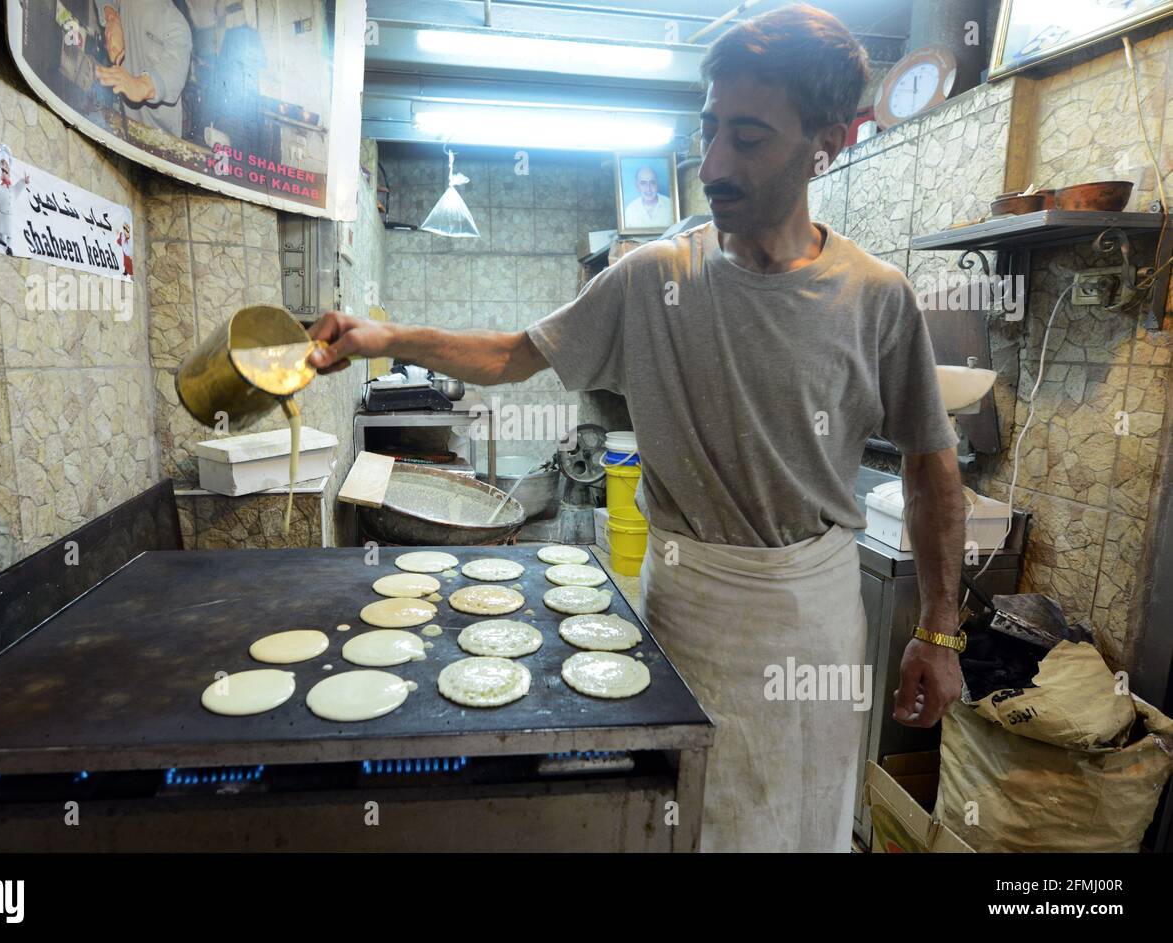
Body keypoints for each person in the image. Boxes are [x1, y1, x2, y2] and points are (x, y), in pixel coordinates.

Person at [306, 4, 966, 852]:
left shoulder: (876, 298)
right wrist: (388, 337)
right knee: (691, 820)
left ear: (825, 144)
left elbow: (930, 463)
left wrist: (939, 627)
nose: (716, 162)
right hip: (690, 607)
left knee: (804, 819)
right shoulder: (654, 278)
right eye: (709, 129)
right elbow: (515, 354)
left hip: (814, 618)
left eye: (750, 137)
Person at [94, 0, 193, 138]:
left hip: (158, 134)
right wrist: (112, 18)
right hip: (122, 119)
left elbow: (173, 70)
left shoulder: (178, 25)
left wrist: (141, 85)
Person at [0, 150, 29, 256]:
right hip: (1, 212)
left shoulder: (11, 189)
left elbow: (18, 188)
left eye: (5, 171)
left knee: (9, 232)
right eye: (2, 171)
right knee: (1, 227)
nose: (4, 173)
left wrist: (23, 181)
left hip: (9, 213)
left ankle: (9, 246)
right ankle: (1, 238)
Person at [622, 165, 675, 229]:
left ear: (657, 184)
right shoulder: (630, 210)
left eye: (652, 182)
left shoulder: (670, 205)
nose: (648, 189)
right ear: (637, 186)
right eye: (643, 183)